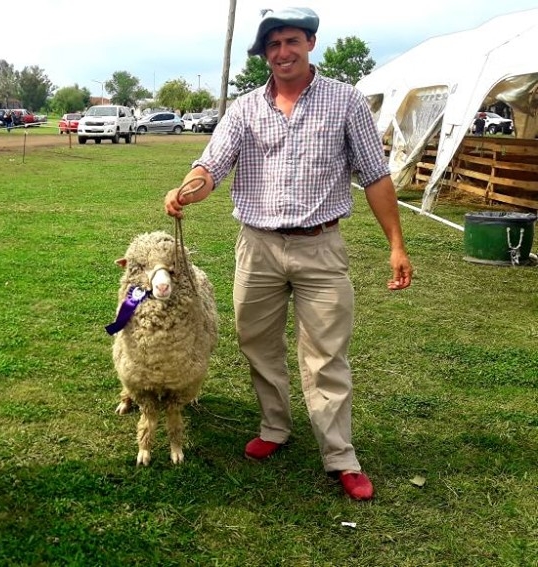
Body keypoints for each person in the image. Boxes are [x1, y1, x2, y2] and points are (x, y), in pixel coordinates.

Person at [164, 7, 413, 501]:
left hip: (321, 247)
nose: (282, 52)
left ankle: (339, 454)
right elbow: (212, 162)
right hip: (256, 246)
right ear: (264, 54)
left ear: (311, 43)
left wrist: (397, 245)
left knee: (326, 355)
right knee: (257, 343)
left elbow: (375, 176)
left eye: (291, 41)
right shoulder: (244, 109)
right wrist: (190, 187)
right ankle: (275, 427)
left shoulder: (346, 102)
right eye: (272, 45)